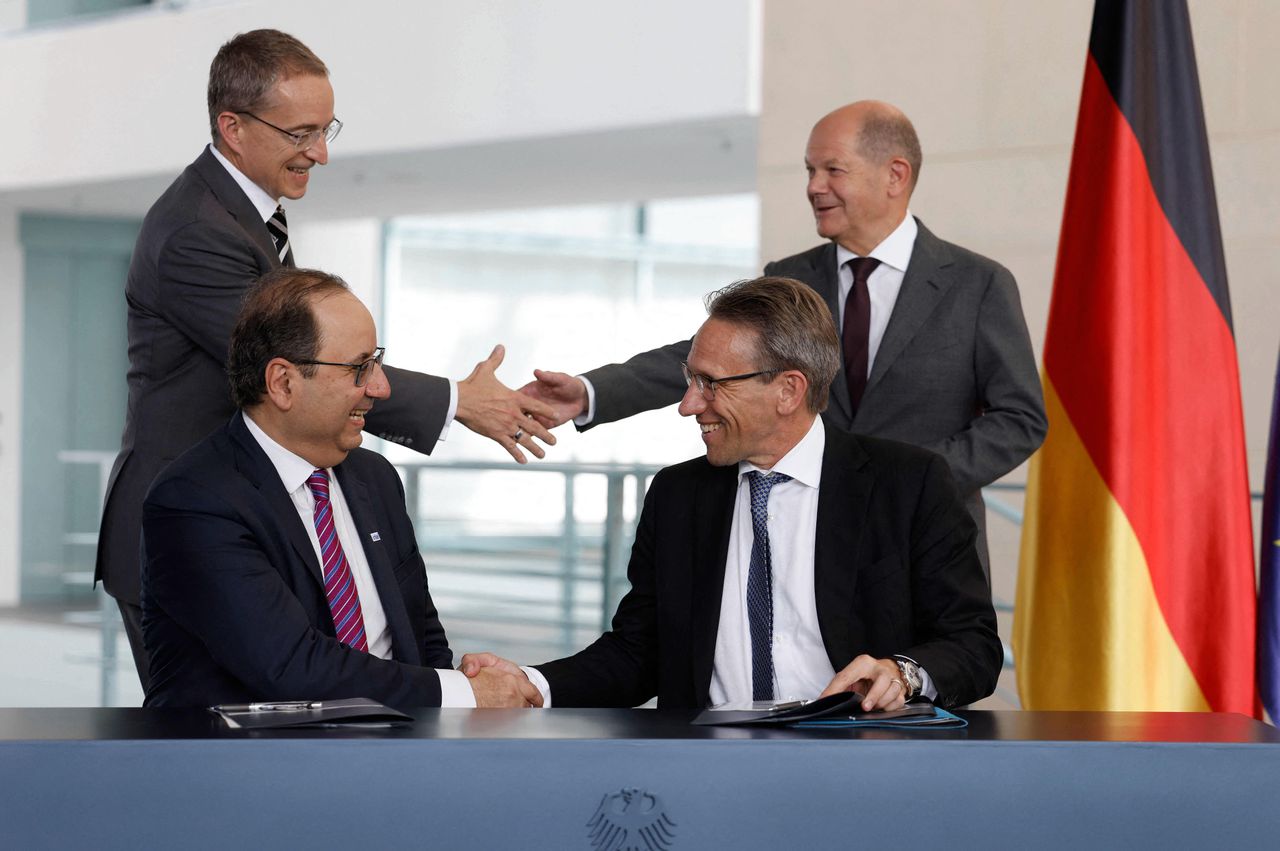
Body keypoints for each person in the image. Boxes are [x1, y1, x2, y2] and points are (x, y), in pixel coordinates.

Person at [98, 29, 555, 688]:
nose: (321, 152)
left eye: (325, 128)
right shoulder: (199, 230)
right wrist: (457, 402)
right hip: (194, 531)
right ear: (232, 126)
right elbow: (299, 361)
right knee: (238, 738)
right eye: (299, 133)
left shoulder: (243, 215)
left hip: (260, 508)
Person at [520, 100, 1046, 579]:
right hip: (804, 543)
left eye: (832, 170)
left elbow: (1019, 419)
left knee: (918, 682)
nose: (814, 186)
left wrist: (913, 482)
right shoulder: (790, 278)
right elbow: (708, 358)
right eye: (809, 170)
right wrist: (592, 391)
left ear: (895, 175)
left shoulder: (978, 284)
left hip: (927, 543)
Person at [466, 277, 1002, 711]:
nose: (688, 405)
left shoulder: (908, 484)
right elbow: (641, 652)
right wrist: (535, 684)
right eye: (689, 380)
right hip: (706, 772)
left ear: (788, 390)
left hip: (860, 766)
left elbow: (973, 647)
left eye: (711, 384)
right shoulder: (678, 495)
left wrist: (901, 674)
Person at [140, 267, 542, 710]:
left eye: (378, 362)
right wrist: (463, 694)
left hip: (396, 755)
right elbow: (290, 667)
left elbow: (420, 636)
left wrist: (460, 685)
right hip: (255, 768)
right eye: (359, 368)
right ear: (283, 382)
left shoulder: (376, 478)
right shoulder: (195, 499)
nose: (380, 387)